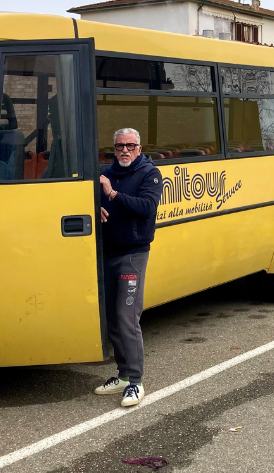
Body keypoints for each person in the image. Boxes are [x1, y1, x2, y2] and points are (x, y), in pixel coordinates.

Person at [93, 128, 162, 407]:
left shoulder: (149, 174)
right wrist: (95, 205)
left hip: (133, 255)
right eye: (119, 146)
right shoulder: (105, 172)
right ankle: (122, 376)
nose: (124, 151)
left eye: (130, 146)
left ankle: (136, 382)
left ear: (139, 147)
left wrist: (112, 195)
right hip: (107, 253)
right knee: (111, 317)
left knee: (126, 316)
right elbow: (90, 199)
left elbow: (147, 207)